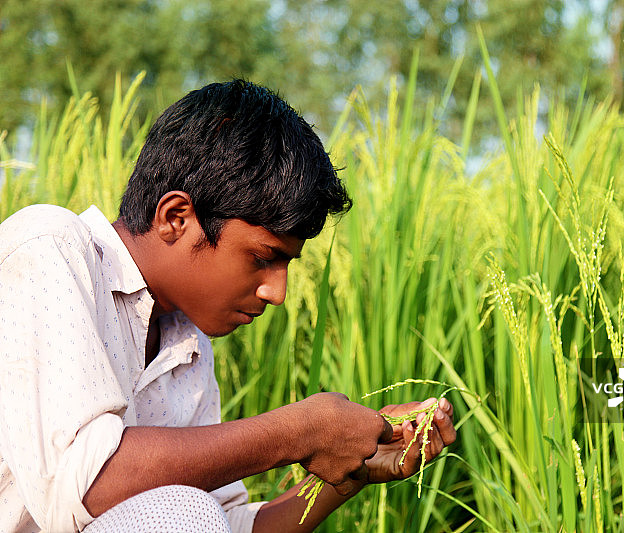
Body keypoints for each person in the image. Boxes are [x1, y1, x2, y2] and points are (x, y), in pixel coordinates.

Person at [0, 79, 456, 532]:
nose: (276, 292)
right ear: (175, 218)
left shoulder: (185, 340)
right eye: (262, 258)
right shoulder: (49, 248)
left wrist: (345, 477)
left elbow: (221, 524)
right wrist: (300, 431)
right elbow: (88, 484)